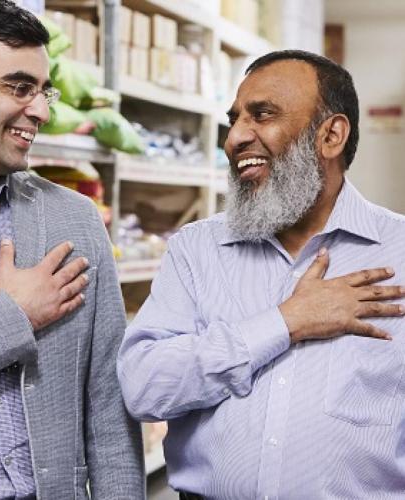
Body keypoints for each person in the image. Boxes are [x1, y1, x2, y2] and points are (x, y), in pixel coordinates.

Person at [117, 49, 405, 500]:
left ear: (331, 136)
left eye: (262, 115)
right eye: (234, 120)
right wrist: (284, 323)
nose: (235, 138)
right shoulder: (197, 250)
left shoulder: (400, 253)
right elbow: (144, 388)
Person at [0, 1, 144, 499]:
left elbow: (107, 405)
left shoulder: (74, 218)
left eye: (44, 90)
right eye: (19, 87)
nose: (40, 110)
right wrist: (9, 316)